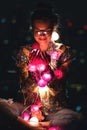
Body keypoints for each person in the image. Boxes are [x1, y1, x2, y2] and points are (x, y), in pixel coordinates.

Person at [0, 2, 83, 130]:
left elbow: (59, 82)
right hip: (27, 109)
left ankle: (30, 126)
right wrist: (33, 71)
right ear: (32, 29)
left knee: (75, 119)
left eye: (46, 31)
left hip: (55, 111)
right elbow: (25, 84)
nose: (41, 35)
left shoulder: (62, 52)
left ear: (53, 29)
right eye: (37, 31)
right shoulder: (25, 53)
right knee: (2, 106)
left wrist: (49, 71)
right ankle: (32, 126)